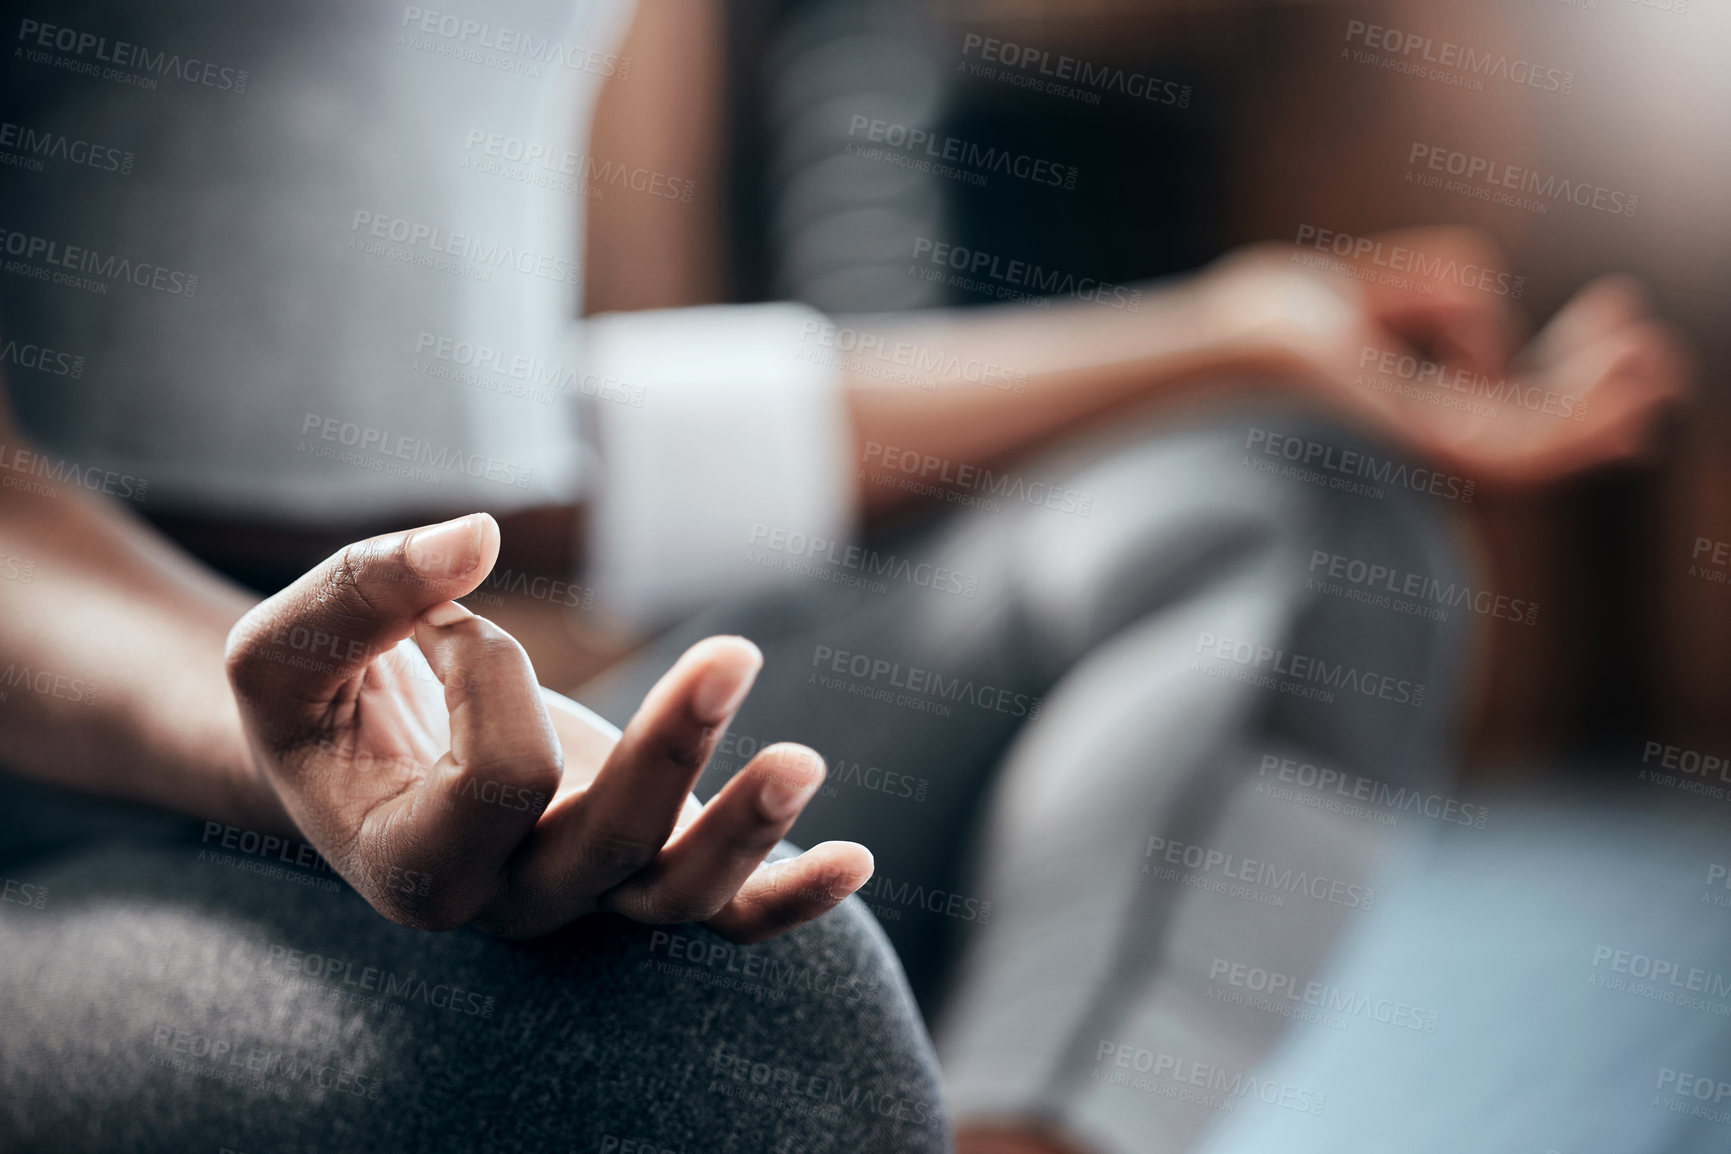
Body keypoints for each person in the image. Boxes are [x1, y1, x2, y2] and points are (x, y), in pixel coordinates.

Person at [0, 0, 1690, 1150]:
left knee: (1297, 515)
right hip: (61, 837)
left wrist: (1228, 336)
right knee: (739, 1036)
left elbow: (399, 457)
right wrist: (292, 726)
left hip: (400, 740)